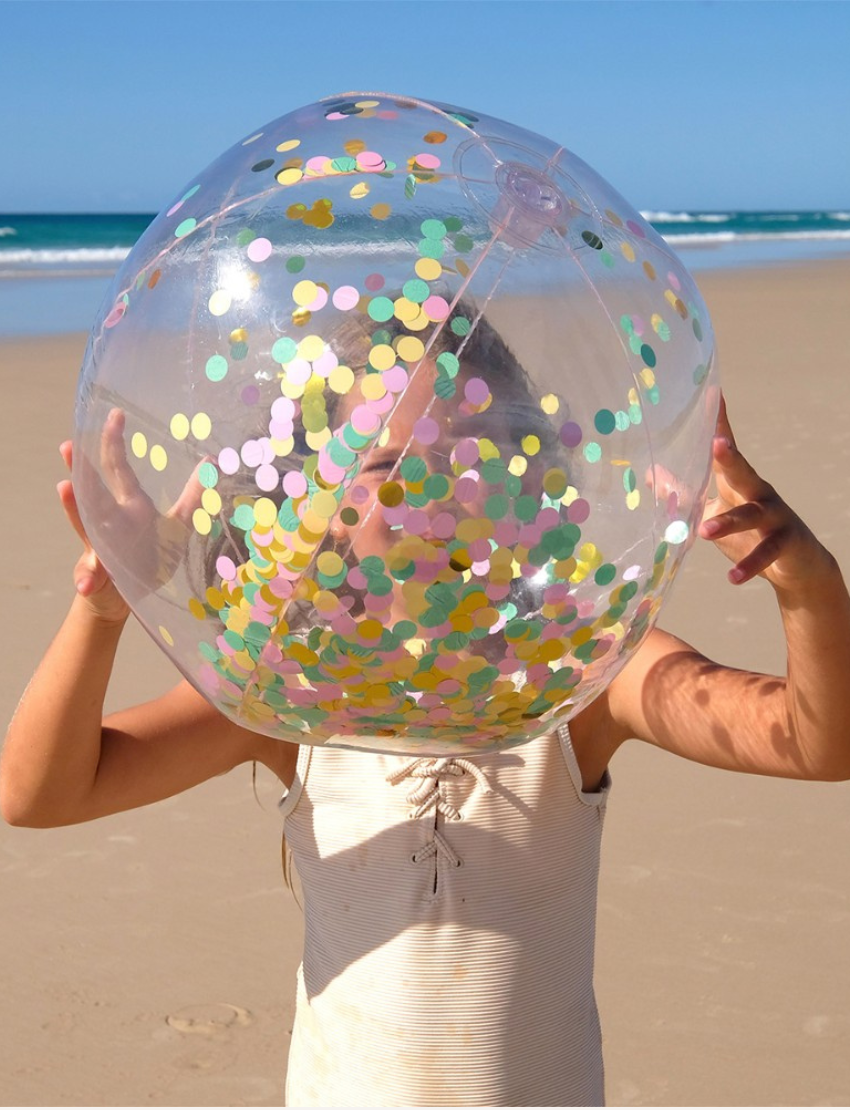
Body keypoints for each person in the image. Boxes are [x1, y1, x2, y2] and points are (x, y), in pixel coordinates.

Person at [2, 378, 849, 1107]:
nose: (428, 491)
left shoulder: (579, 670)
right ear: (326, 507)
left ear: (525, 478)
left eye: (468, 454)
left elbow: (815, 743)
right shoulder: (297, 689)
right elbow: (41, 795)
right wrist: (102, 611)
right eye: (383, 466)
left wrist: (809, 591)